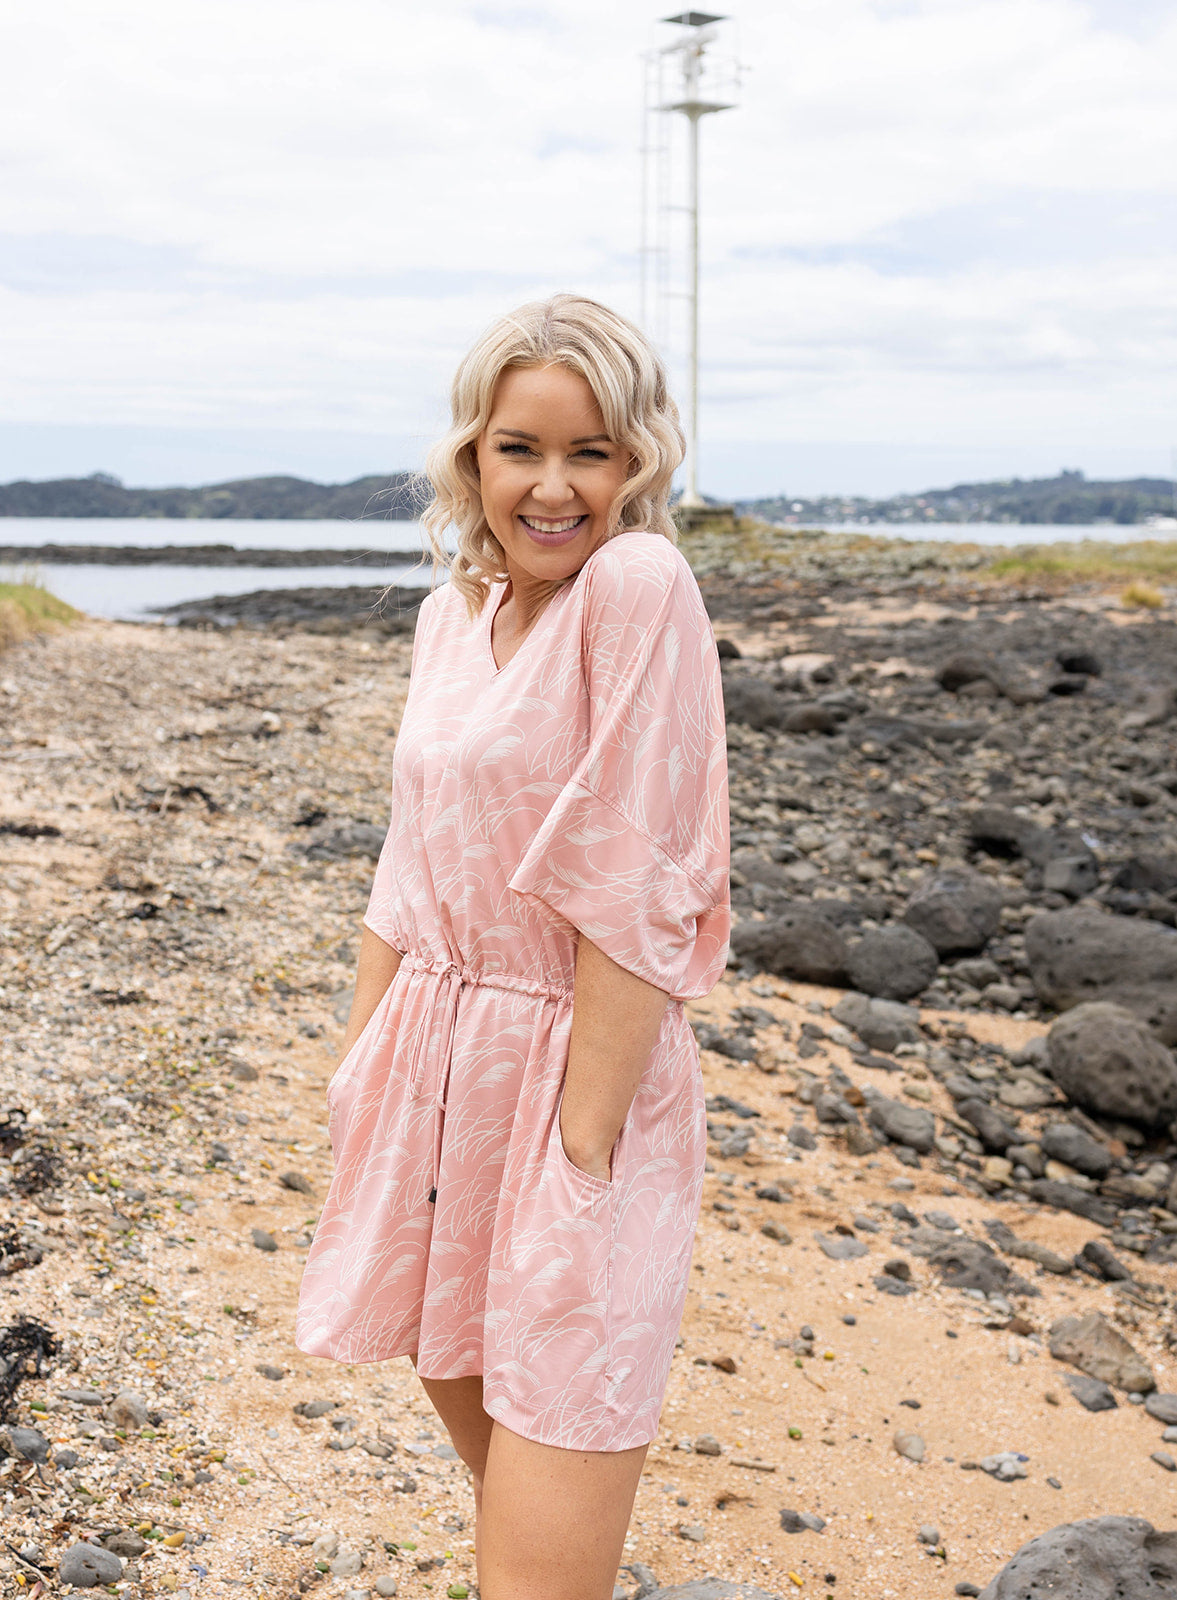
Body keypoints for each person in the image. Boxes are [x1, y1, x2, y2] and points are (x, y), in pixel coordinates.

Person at [295, 294, 730, 1600]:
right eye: (517, 449)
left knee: (545, 1517)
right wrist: (359, 1069)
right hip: (432, 1059)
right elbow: (406, 858)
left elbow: (640, 871)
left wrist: (582, 1141)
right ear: (472, 457)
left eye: (587, 452)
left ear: (634, 460)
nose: (551, 487)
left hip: (567, 1065)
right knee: (499, 1474)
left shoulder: (637, 588)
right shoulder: (452, 617)